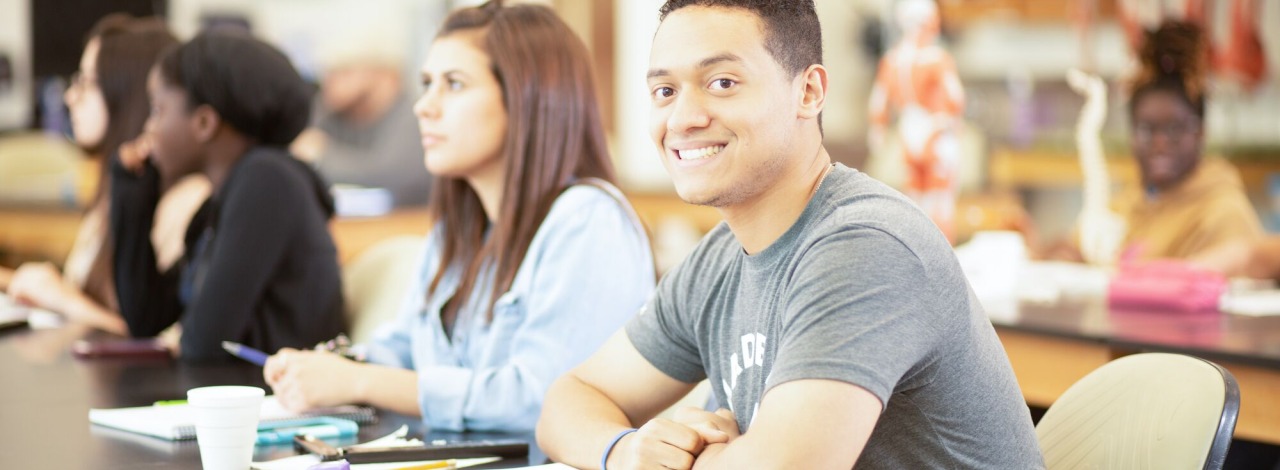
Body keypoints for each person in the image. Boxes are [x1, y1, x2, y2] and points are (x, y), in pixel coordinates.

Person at [536, 1, 1043, 468]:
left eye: (722, 83)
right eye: (665, 91)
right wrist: (627, 451)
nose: (683, 118)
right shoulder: (717, 261)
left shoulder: (866, 246)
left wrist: (690, 459)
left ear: (808, 92)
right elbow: (567, 401)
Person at [262, 1, 654, 433]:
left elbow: (541, 400)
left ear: (528, 98)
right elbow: (404, 347)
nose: (424, 107)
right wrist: (326, 369)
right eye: (427, 83)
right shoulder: (458, 228)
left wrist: (362, 380)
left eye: (454, 84)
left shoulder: (588, 220)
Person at [110, 32, 345, 361]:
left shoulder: (267, 180)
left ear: (204, 123)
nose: (149, 129)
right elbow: (146, 319)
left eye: (158, 110)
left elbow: (203, 346)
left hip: (278, 405)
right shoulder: (218, 203)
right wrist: (132, 191)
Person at [1, 14, 208, 335]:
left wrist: (61, 297)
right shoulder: (111, 191)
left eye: (86, 82)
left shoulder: (182, 203)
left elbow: (164, 341)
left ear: (130, 95)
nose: (71, 97)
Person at [1053, 21, 1261, 264]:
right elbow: (1080, 250)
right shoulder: (1128, 204)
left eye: (1174, 129)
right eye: (1147, 129)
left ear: (1200, 133)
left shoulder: (1224, 215)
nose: (1160, 143)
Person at [290, 18, 432, 207]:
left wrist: (322, 155)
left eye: (343, 72)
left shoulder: (416, 113)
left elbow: (392, 174)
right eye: (327, 73)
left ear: (385, 75)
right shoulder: (329, 109)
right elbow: (298, 161)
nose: (329, 82)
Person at [868, 0, 964, 243]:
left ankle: (921, 251)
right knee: (938, 201)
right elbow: (955, 96)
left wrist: (877, 128)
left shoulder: (892, 59)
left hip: (909, 130)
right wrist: (951, 121)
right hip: (933, 131)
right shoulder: (937, 58)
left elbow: (878, 101)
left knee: (915, 200)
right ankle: (939, 254)